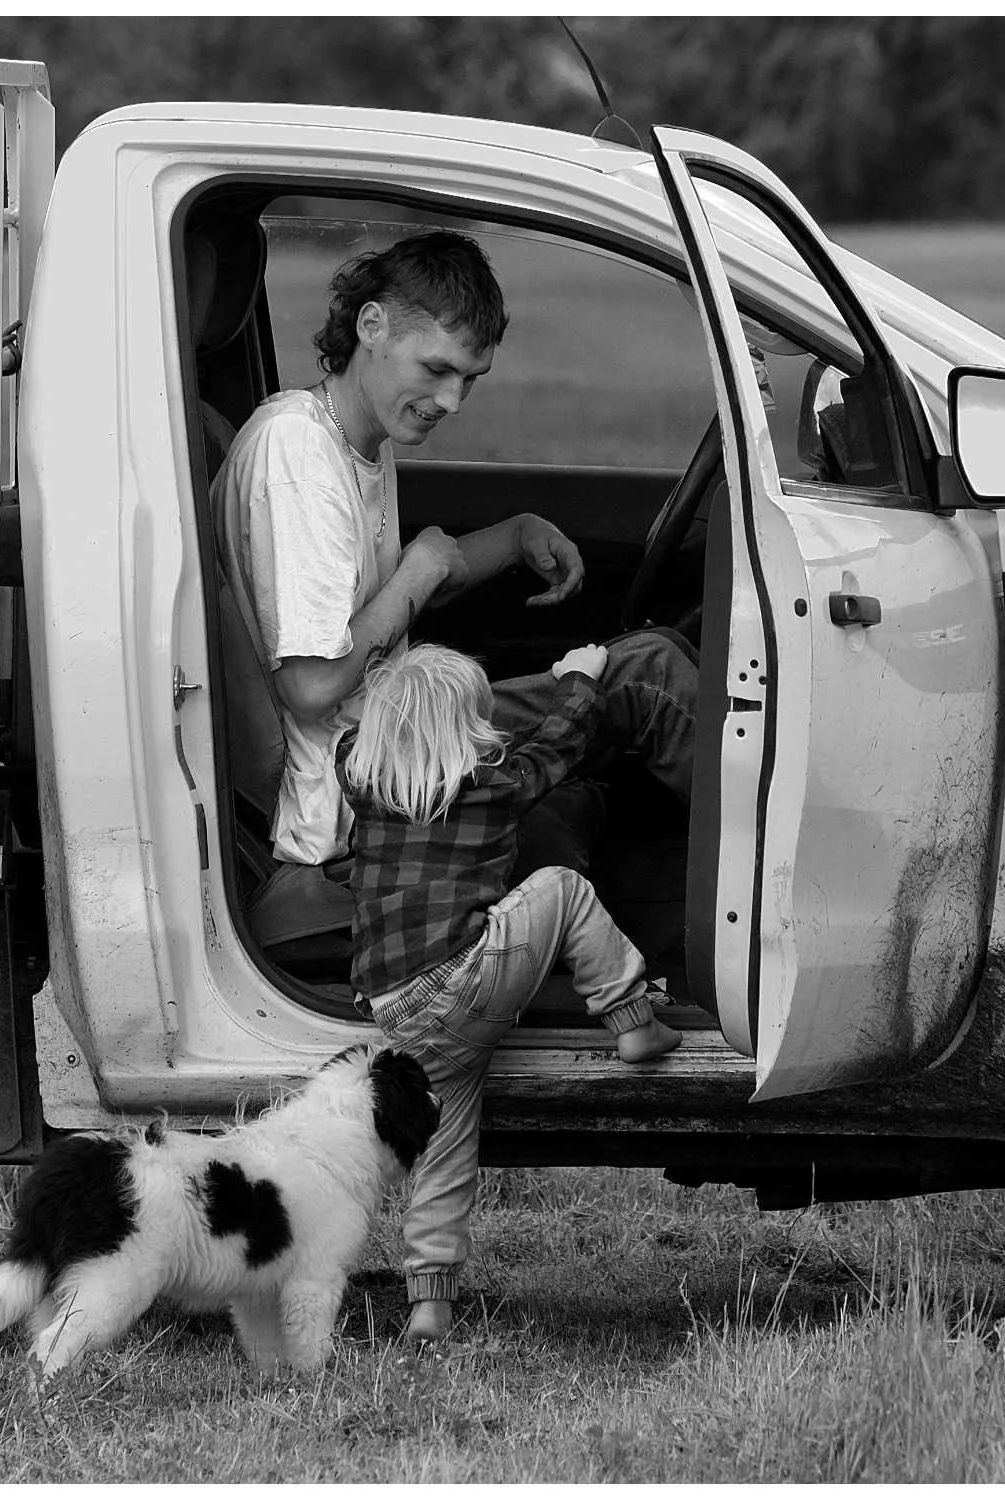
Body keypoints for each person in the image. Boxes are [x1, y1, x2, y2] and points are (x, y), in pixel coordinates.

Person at [211, 229, 697, 912]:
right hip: (358, 786)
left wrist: (516, 536)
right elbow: (313, 686)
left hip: (394, 739)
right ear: (372, 324)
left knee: (643, 671)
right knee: (649, 680)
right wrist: (413, 577)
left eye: (469, 378)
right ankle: (784, 888)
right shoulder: (296, 454)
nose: (453, 401)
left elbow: (396, 587)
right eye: (436, 369)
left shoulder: (355, 440)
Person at [339, 641, 681, 1348]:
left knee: (444, 1154)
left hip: (396, 1011)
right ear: (470, 735)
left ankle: (428, 1304)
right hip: (462, 984)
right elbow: (560, 745)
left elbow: (356, 738)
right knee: (563, 887)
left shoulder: (361, 777)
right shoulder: (494, 784)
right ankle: (632, 1016)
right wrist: (579, 679)